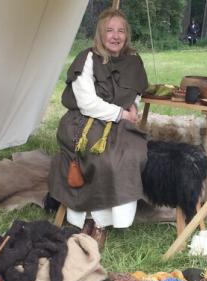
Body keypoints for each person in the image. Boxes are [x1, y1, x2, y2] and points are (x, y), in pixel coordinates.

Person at [48, 9, 148, 248]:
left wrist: (133, 106)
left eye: (121, 30)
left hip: (119, 124)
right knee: (98, 156)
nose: (115, 36)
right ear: (100, 34)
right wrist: (122, 113)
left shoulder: (133, 60)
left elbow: (134, 93)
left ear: (127, 34)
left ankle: (102, 223)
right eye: (109, 30)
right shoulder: (88, 58)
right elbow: (87, 103)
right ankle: (85, 219)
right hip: (84, 121)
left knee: (129, 155)